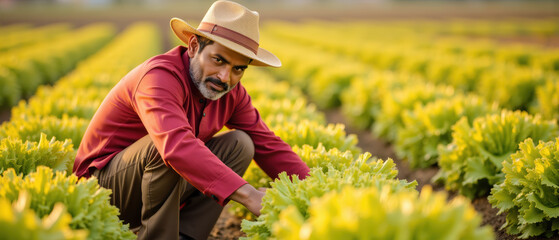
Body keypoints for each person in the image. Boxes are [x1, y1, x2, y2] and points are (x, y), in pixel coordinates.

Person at [73, 1, 310, 239]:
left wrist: (314, 191)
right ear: (194, 46)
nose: (225, 77)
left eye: (238, 69)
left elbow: (268, 144)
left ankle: (187, 235)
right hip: (103, 192)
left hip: (154, 188)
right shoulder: (158, 78)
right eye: (218, 60)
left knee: (241, 143)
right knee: (166, 146)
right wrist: (249, 195)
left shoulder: (231, 93)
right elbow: (176, 146)